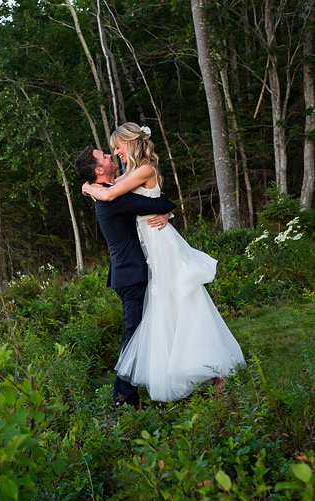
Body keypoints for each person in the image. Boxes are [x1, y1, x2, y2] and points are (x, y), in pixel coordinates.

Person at [81, 123, 245, 402]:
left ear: (131, 143)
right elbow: (123, 196)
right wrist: (90, 185)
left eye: (118, 147)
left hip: (160, 246)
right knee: (168, 309)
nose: (115, 153)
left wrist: (87, 186)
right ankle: (191, 371)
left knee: (182, 302)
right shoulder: (131, 174)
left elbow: (112, 194)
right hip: (148, 250)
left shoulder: (144, 170)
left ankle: (212, 371)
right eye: (110, 152)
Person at [75, 142, 177, 408]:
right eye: (104, 156)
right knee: (133, 333)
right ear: (99, 170)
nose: (110, 156)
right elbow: (159, 202)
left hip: (130, 272)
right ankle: (123, 398)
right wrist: (166, 209)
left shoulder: (108, 190)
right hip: (131, 274)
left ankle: (134, 391)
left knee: (138, 331)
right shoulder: (112, 197)